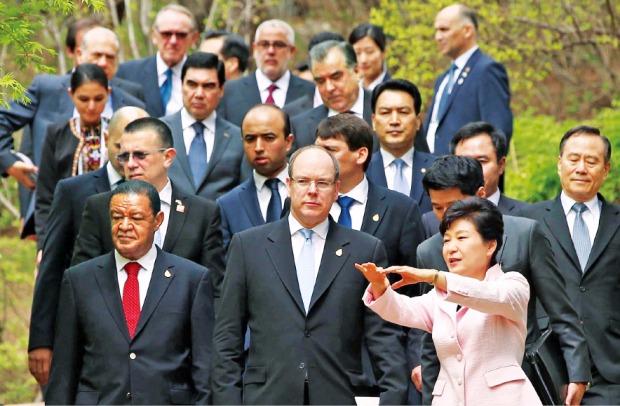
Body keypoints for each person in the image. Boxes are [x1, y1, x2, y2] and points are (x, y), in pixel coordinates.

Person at [212, 145, 408, 404]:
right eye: (303, 181)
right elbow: (228, 336)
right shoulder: (248, 246)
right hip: (266, 395)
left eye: (323, 183)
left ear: (337, 189)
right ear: (288, 185)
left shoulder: (365, 249)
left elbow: (383, 337)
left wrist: (392, 399)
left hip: (338, 393)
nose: (312, 190)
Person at [416, 155, 591, 405]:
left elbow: (561, 310)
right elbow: (431, 334)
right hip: (458, 390)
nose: (446, 218)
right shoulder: (429, 250)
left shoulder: (525, 234)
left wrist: (577, 374)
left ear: (480, 194)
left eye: (454, 204)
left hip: (522, 377)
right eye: (437, 207)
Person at [358, 196, 541, 405]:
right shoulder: (440, 297)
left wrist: (435, 277)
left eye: (461, 238)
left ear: (490, 246)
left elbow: (489, 296)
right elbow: (402, 309)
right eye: (446, 240)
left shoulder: (512, 284)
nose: (450, 248)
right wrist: (380, 285)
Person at [45, 180, 214, 404]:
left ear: (157, 221)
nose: (124, 226)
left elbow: (205, 369)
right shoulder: (79, 279)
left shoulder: (191, 279)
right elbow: (64, 371)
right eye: (116, 217)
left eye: (135, 218)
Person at [28, 107, 148, 386]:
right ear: (107, 138)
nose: (129, 160)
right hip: (83, 331)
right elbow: (52, 266)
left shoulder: (159, 196)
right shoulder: (73, 191)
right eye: (120, 148)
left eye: (138, 151)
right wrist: (41, 340)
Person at [314, 114, 423, 401]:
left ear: (360, 154)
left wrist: (413, 360)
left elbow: (414, 293)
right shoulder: (304, 207)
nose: (320, 159)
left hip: (380, 363)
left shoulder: (400, 209)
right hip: (319, 359)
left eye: (330, 151)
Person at [0, 28, 144, 237]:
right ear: (79, 55)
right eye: (97, 55)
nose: (103, 62)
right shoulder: (46, 88)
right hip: (54, 217)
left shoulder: (133, 101)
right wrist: (8, 162)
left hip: (117, 222)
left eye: (110, 57)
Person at [71, 117, 226, 300]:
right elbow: (82, 281)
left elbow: (214, 289)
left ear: (167, 157)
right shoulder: (100, 207)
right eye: (124, 156)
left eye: (139, 155)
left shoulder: (201, 213)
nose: (130, 164)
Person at [521, 125, 619, 404]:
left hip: (610, 367)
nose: (581, 168)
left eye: (591, 161)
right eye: (573, 159)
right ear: (559, 163)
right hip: (546, 359)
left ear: (606, 169)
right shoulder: (529, 221)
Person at [421, 4, 512, 155]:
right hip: (432, 172)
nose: (438, 37)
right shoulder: (442, 80)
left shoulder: (486, 70)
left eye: (444, 29)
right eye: (436, 31)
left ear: (467, 30)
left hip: (465, 175)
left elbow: (498, 133)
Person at [35, 64, 110, 244]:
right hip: (66, 231)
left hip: (111, 227)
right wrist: (43, 244)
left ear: (108, 93)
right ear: (71, 94)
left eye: (98, 98)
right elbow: (45, 193)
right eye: (83, 99)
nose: (91, 106)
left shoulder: (118, 131)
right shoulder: (57, 133)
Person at [162, 52, 248, 201]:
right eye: (192, 84)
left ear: (221, 90)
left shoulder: (238, 138)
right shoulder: (158, 132)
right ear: (181, 85)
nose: (199, 94)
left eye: (208, 86)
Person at [421, 121, 528, 238]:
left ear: (501, 165)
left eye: (481, 161)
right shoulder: (430, 222)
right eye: (464, 162)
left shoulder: (526, 215)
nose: (473, 169)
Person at [217, 104, 293, 252]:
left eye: (268, 138)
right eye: (250, 139)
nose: (258, 147)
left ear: (288, 142)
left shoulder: (311, 191)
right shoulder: (228, 205)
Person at [219, 19, 315, 127]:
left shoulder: (311, 92)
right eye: (264, 44)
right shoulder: (229, 91)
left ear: (292, 51)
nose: (271, 51)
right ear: (254, 49)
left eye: (278, 44)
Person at [291, 40, 377, 152]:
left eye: (336, 77)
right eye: (321, 81)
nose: (329, 88)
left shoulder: (384, 111)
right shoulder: (299, 127)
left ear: (356, 71)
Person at [116, 4, 199, 117]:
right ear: (154, 35)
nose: (173, 41)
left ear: (193, 38)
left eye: (181, 35)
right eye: (166, 34)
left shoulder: (204, 76)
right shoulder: (128, 73)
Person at [367, 79, 436, 214]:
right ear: (374, 121)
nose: (394, 121)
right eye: (385, 112)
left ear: (417, 121)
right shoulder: (360, 171)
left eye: (403, 112)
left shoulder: (438, 168)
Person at [349, 23, 391, 90]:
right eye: (357, 53)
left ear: (384, 53)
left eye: (370, 51)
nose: (363, 60)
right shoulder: (351, 90)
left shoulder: (392, 91)